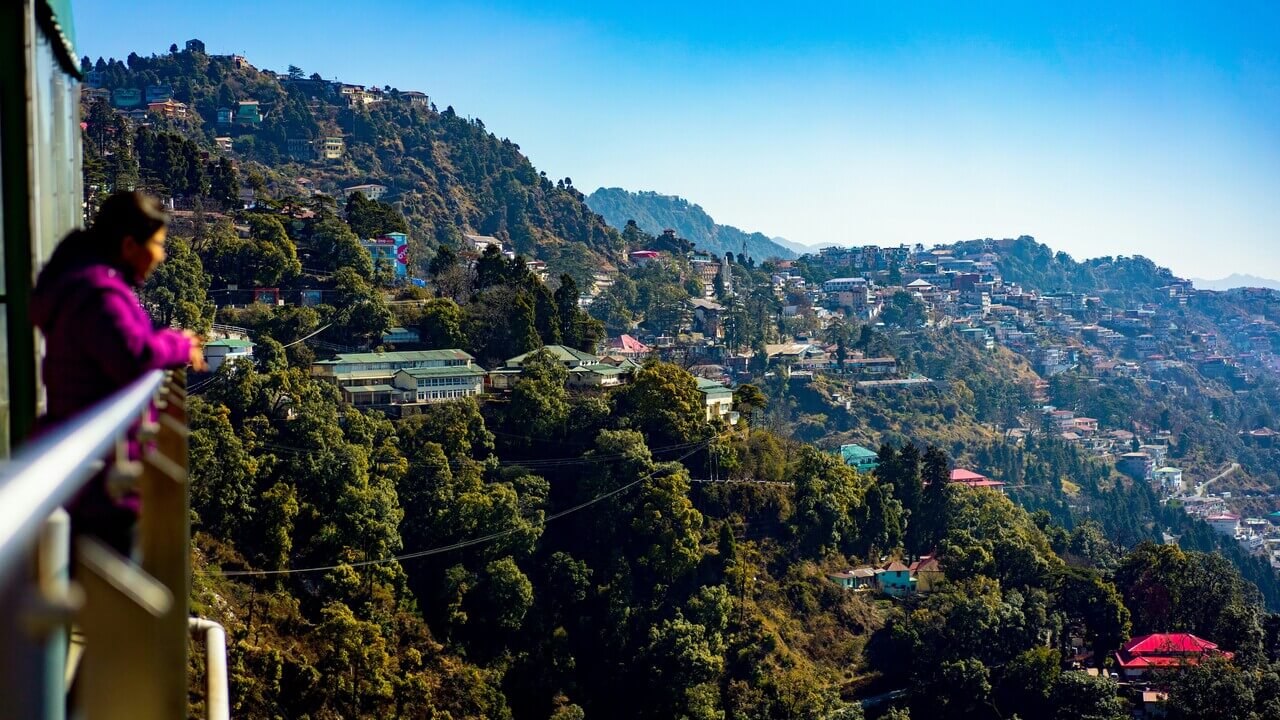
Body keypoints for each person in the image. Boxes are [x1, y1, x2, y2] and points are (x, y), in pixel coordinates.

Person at [31, 191, 207, 555]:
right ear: (129, 245)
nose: (161, 255)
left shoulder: (88, 284)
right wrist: (179, 346)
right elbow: (135, 354)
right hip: (100, 484)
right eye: (158, 244)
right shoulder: (99, 293)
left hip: (87, 470)